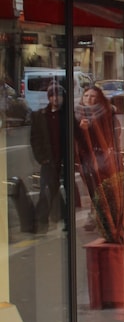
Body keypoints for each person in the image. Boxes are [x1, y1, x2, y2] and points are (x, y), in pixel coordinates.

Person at [75, 85, 124, 238]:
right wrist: (82, 129)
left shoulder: (106, 112)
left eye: (93, 96)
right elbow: (75, 139)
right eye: (86, 96)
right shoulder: (77, 114)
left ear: (99, 98)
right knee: (93, 187)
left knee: (102, 188)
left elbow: (114, 133)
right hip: (86, 159)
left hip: (104, 158)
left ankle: (103, 218)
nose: (89, 99)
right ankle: (97, 216)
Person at [30, 82, 66, 232]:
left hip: (63, 159)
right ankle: (40, 221)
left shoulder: (65, 115)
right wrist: (42, 158)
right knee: (46, 189)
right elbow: (35, 138)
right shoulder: (40, 115)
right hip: (49, 159)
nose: (55, 99)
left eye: (58, 96)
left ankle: (62, 217)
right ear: (49, 98)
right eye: (52, 96)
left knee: (55, 188)